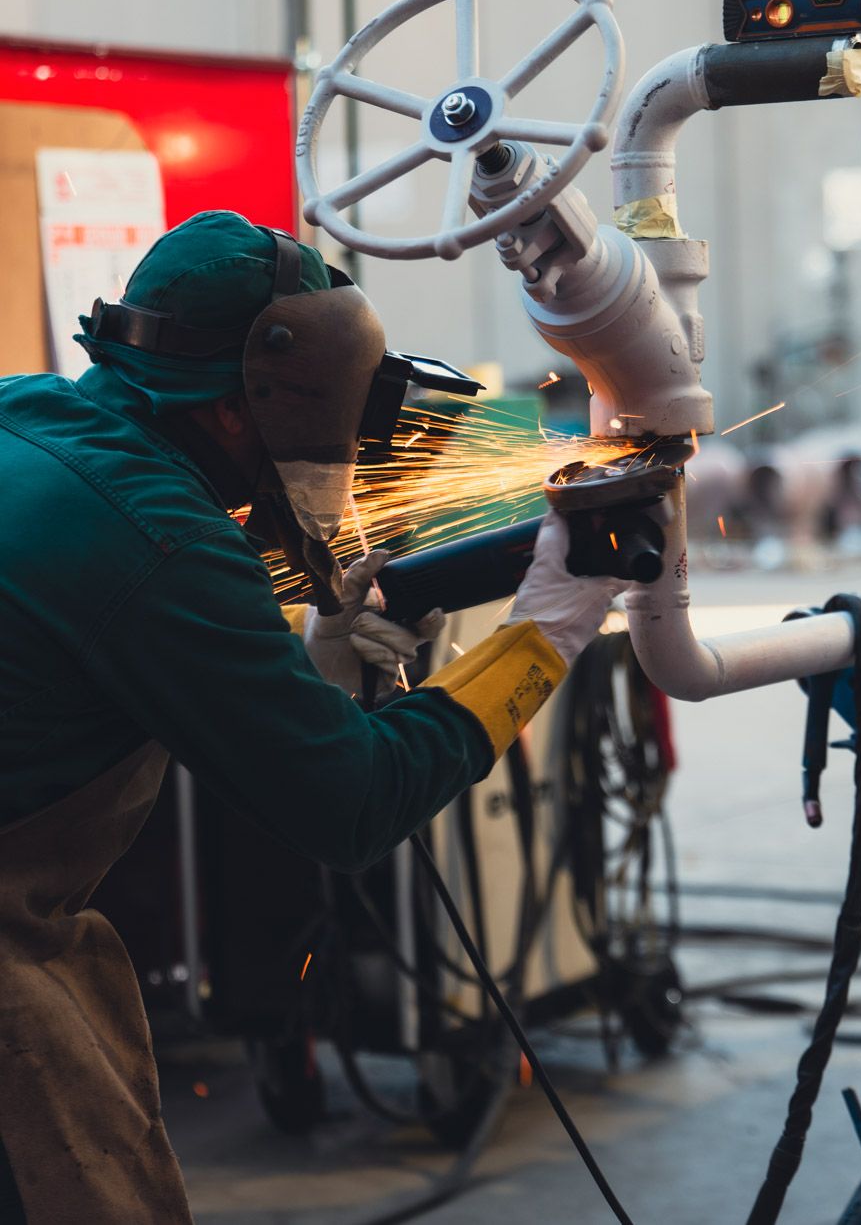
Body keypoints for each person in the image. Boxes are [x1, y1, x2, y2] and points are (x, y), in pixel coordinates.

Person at [0, 210, 627, 1224]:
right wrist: (545, 634)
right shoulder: (161, 542)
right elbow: (351, 805)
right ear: (245, 406)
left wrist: (301, 662)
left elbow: (104, 628)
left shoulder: (28, 416)